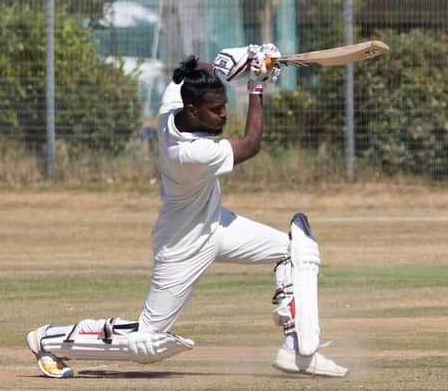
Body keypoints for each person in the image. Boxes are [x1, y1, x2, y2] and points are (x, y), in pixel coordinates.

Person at [26, 44, 348, 378]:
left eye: (224, 106)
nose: (224, 115)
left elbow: (197, 70)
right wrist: (255, 85)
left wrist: (233, 61)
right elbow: (251, 144)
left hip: (218, 225)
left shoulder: (175, 98)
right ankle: (48, 338)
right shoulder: (190, 153)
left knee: (296, 251)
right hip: (182, 244)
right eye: (216, 109)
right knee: (148, 343)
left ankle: (297, 350)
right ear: (192, 111)